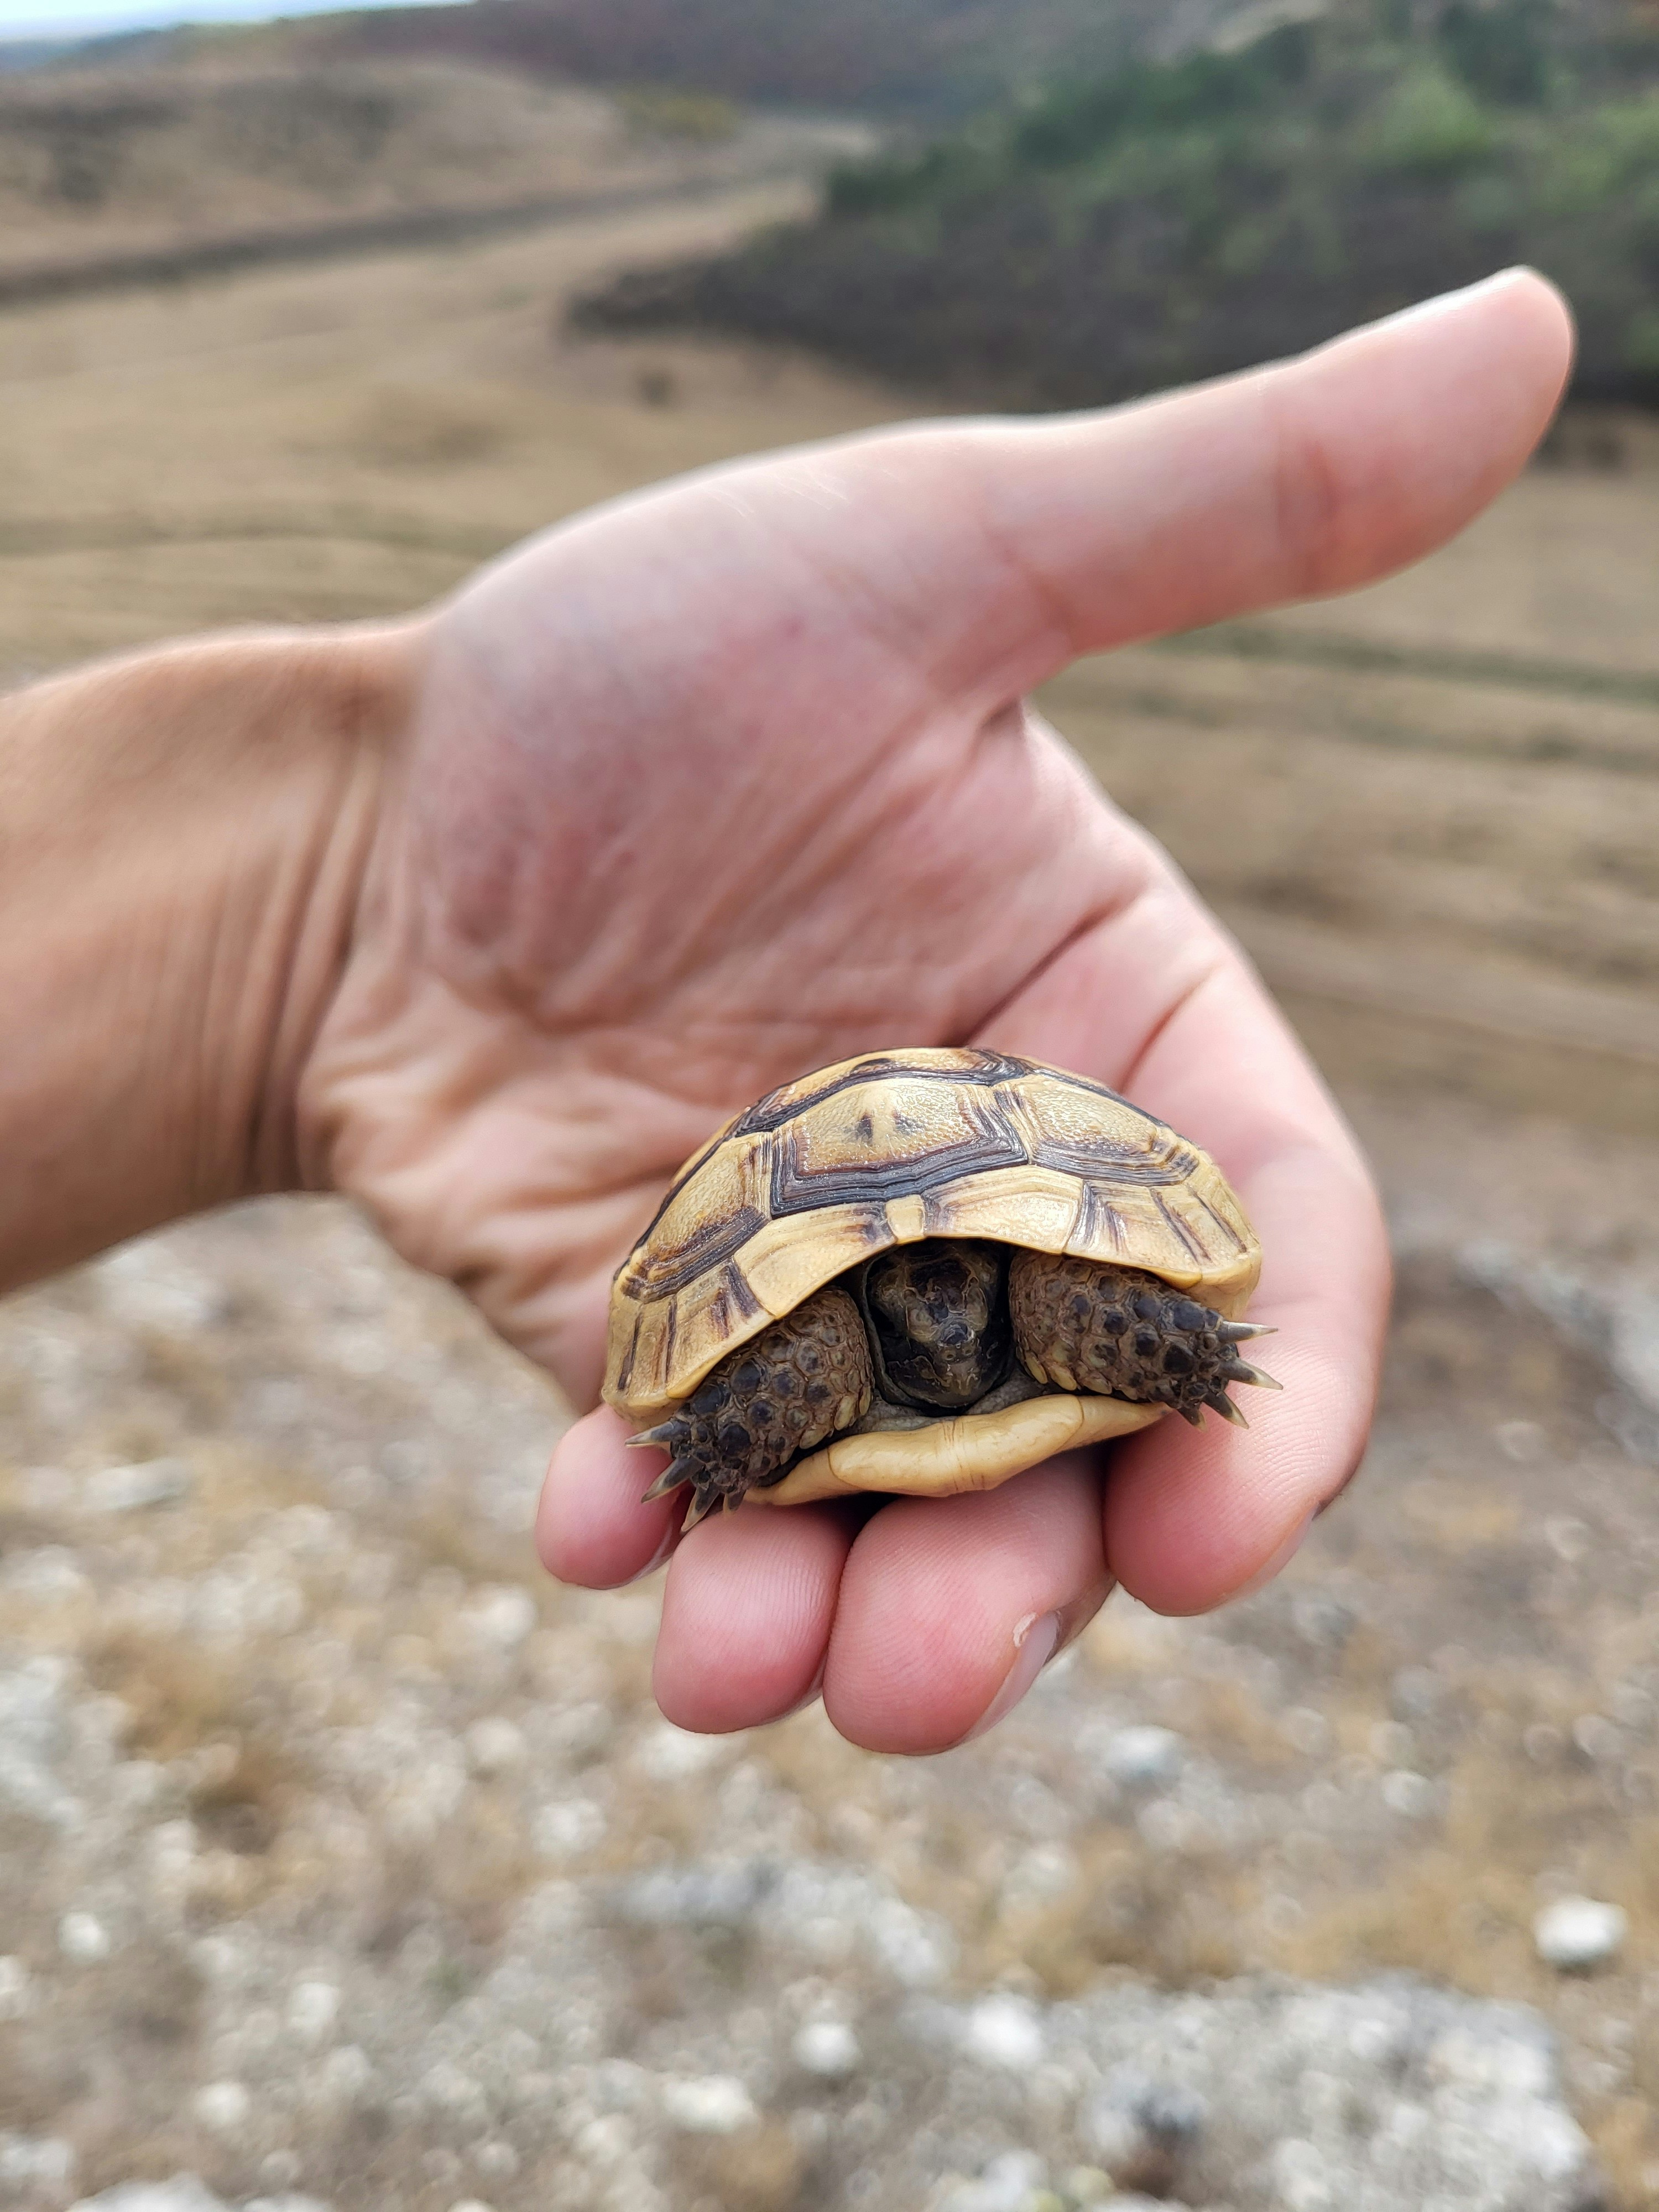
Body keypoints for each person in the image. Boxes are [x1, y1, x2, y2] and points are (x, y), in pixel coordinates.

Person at [0, 269, 1572, 1755]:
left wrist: (1169, 1344)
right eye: (928, 1312)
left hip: (1009, 1205)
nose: (949, 1330)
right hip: (793, 1256)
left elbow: (1116, 1308)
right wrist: (733, 1426)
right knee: (736, 1437)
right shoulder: (828, 1344)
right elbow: (763, 1374)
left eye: (955, 1305)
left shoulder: (1034, 1298)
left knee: (1148, 1380)